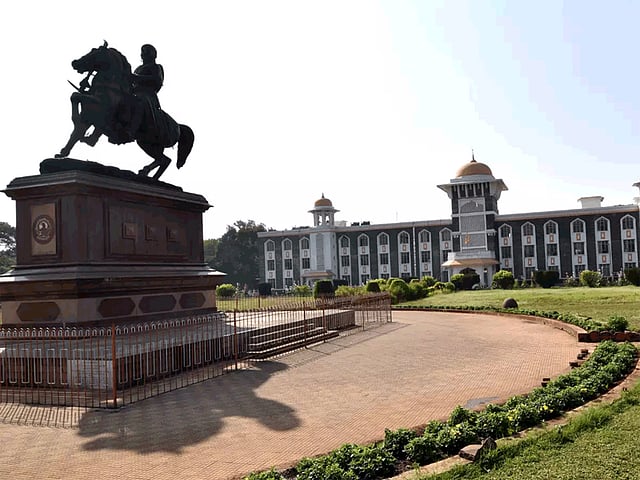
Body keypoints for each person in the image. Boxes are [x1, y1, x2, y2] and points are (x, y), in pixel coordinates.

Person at [128, 44, 165, 139]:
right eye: (143, 53)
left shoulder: (156, 67)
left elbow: (157, 80)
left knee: (140, 103)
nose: (143, 55)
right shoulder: (138, 69)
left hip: (147, 95)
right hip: (134, 93)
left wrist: (137, 78)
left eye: (146, 53)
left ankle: (132, 130)